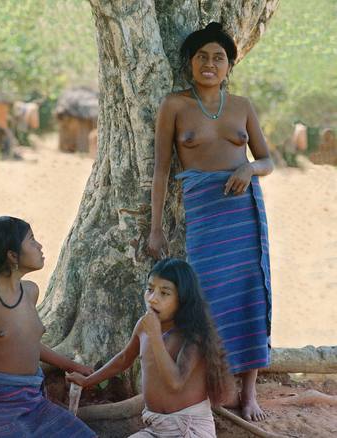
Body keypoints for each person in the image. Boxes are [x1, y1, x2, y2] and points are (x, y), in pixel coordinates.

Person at [147, 22, 274, 421]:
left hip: (244, 217)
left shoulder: (243, 106)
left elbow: (269, 160)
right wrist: (155, 228)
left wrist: (250, 170)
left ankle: (248, 392)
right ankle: (210, 387)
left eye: (218, 57)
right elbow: (161, 172)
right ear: (190, 63)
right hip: (204, 217)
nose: (209, 63)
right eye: (202, 56)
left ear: (228, 66)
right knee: (205, 300)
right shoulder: (174, 106)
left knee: (249, 295)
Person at [67, 258, 233, 437]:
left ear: (183, 298)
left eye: (164, 293)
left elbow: (175, 382)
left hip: (189, 428)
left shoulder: (194, 335)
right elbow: (124, 359)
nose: (153, 299)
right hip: (155, 427)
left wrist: (155, 336)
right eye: (150, 289)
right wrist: (87, 381)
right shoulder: (144, 325)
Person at [0, 216, 96, 437]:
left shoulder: (30, 291)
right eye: (32, 240)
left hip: (34, 401)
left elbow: (28, 343)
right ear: (12, 255)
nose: (40, 246)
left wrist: (72, 366)